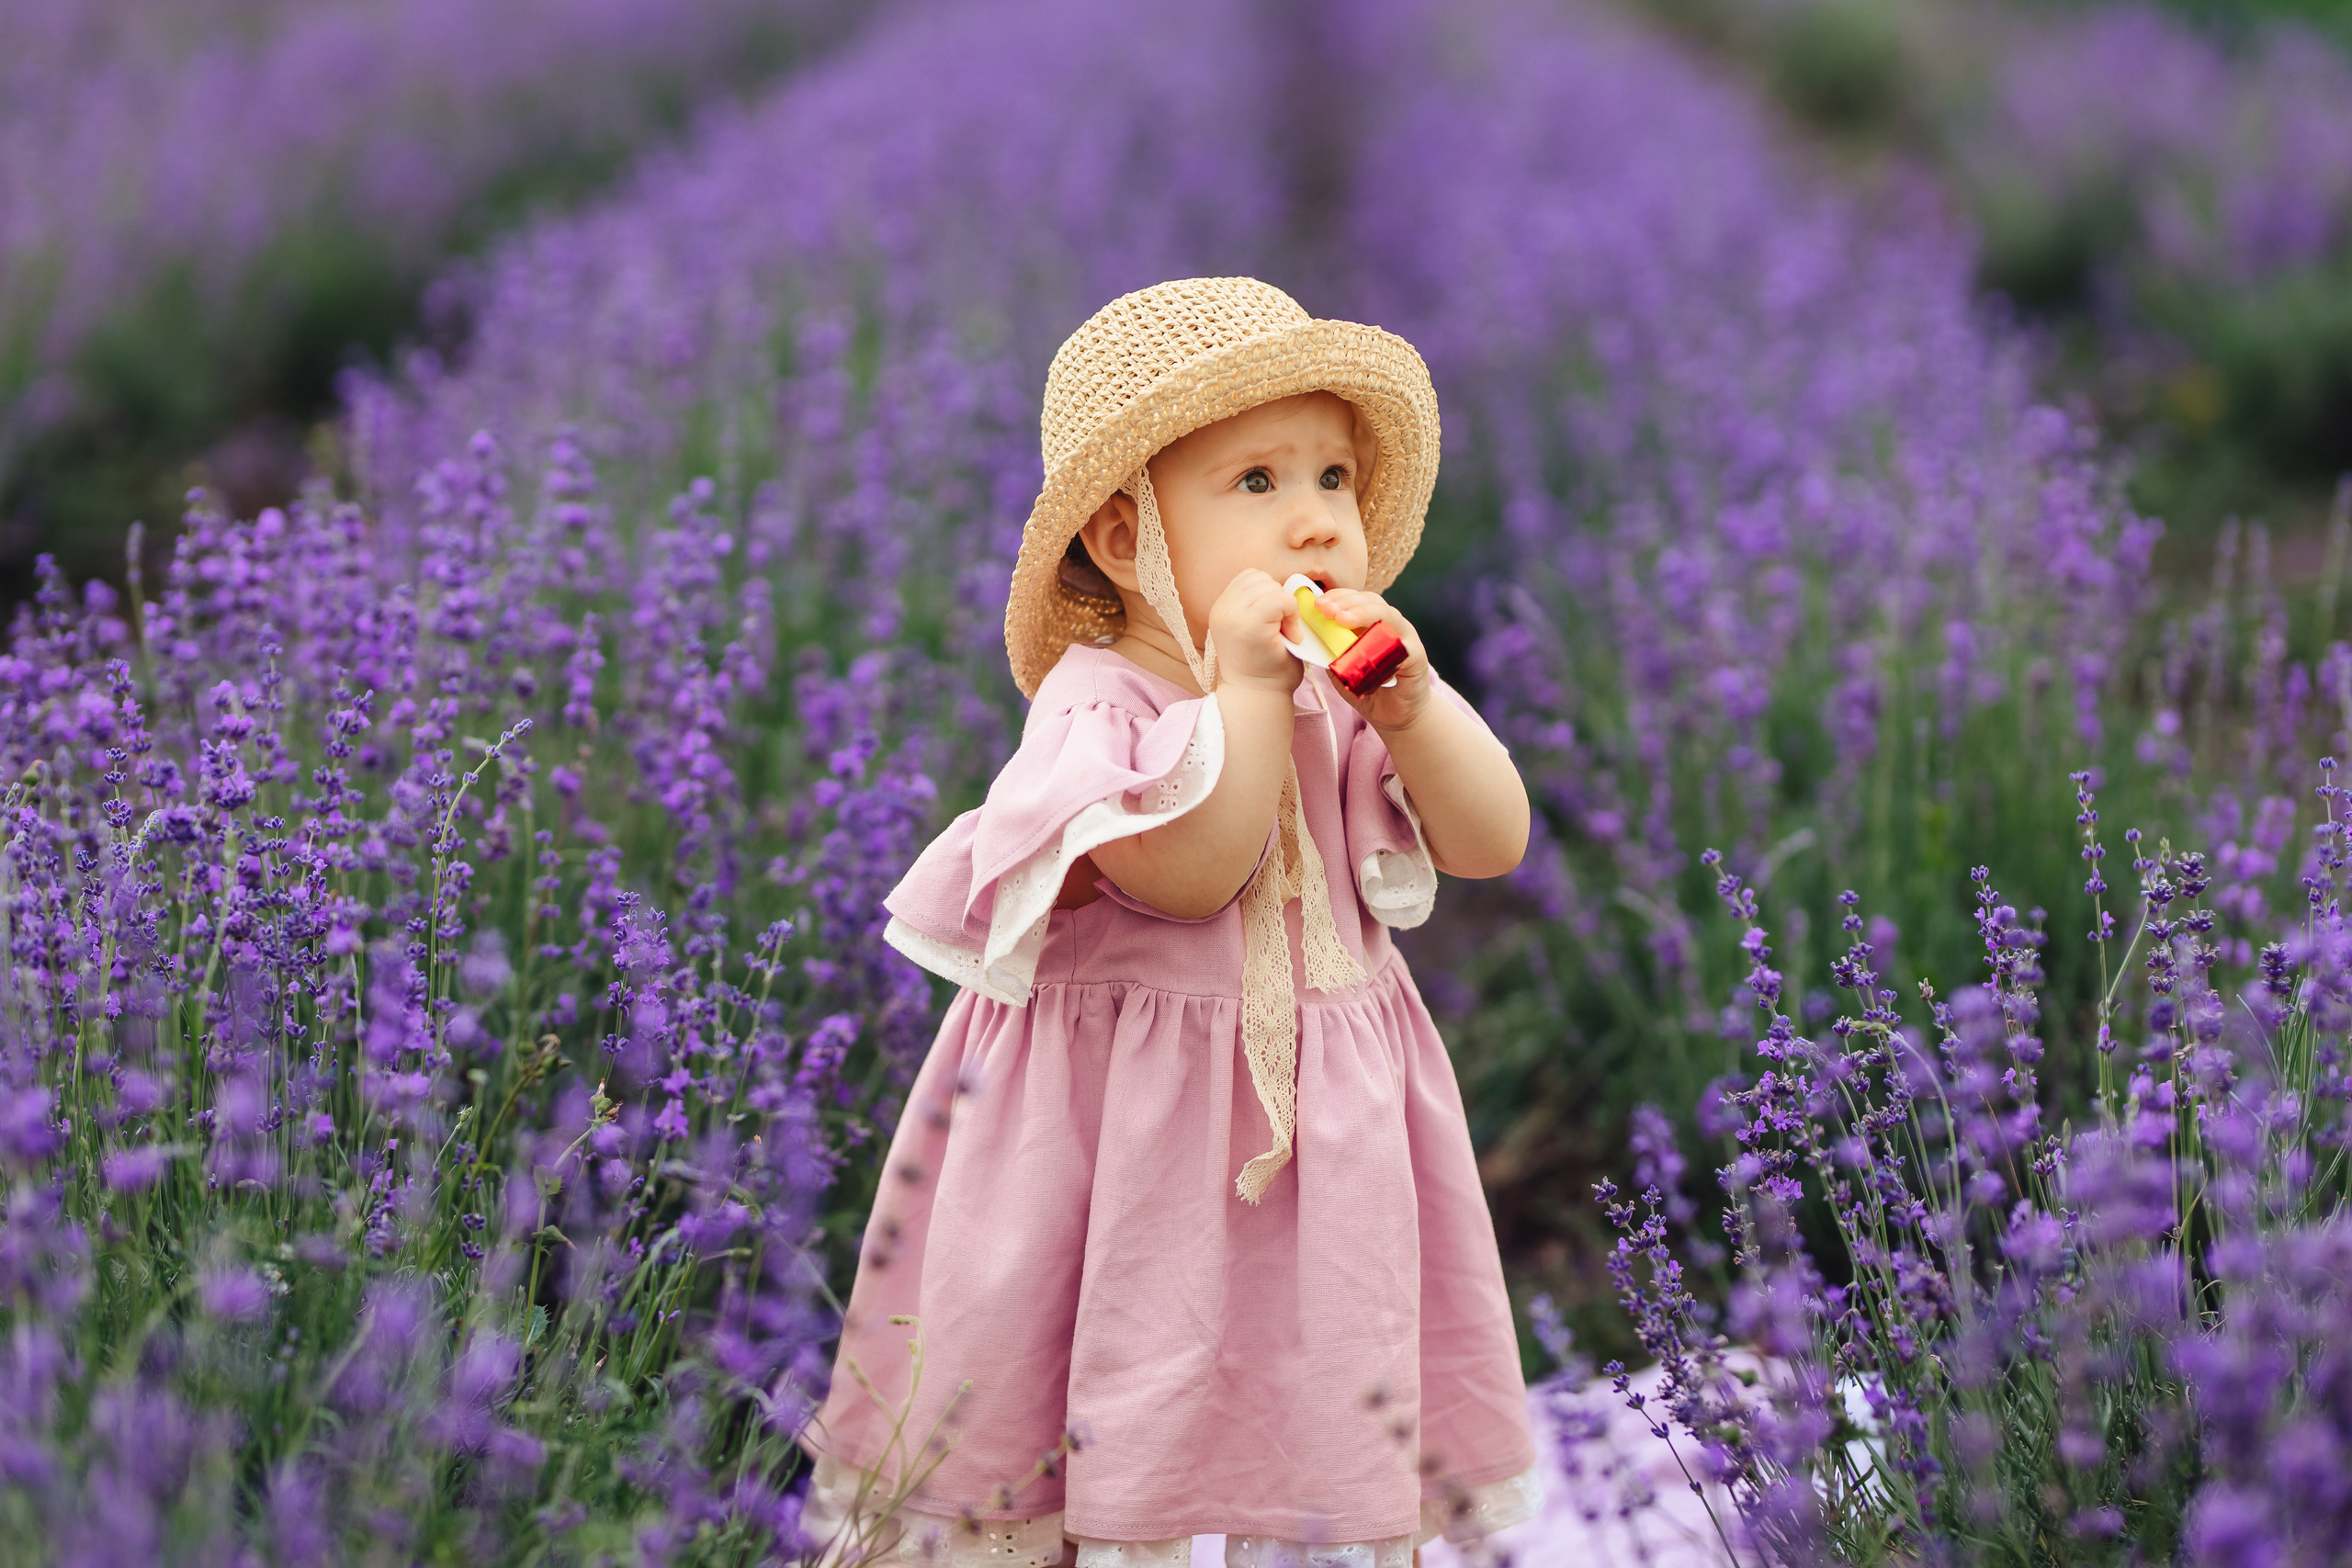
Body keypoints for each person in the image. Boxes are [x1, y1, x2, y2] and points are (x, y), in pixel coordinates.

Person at [799, 278, 1540, 1568]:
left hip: (1327, 1140)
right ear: (1124, 535)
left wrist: (1413, 711)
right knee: (1108, 1408)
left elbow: (1493, 841)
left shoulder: (1335, 701)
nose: (1314, 521)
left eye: (1331, 479)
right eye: (1255, 484)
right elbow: (1191, 872)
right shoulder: (1100, 711)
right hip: (1117, 1142)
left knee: (1312, 1402)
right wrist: (1250, 695)